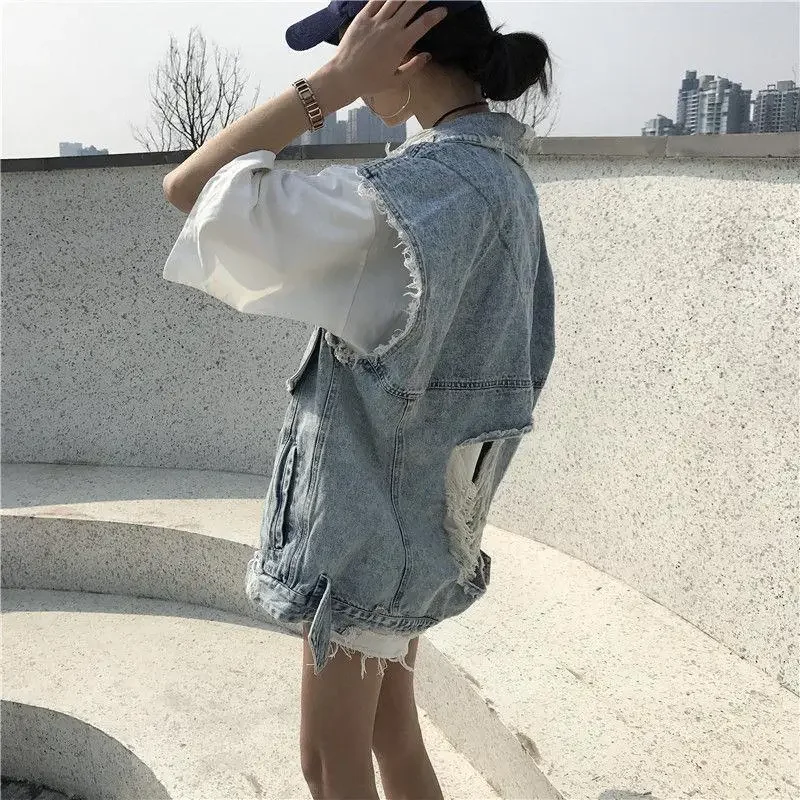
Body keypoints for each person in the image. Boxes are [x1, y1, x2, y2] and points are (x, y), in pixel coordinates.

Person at [161, 1, 555, 796]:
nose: (336, 65)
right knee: (392, 738)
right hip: (425, 523)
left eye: (345, 47)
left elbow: (188, 188)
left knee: (329, 763)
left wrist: (331, 86)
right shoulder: (503, 180)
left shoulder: (398, 205)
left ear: (402, 55)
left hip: (365, 539)